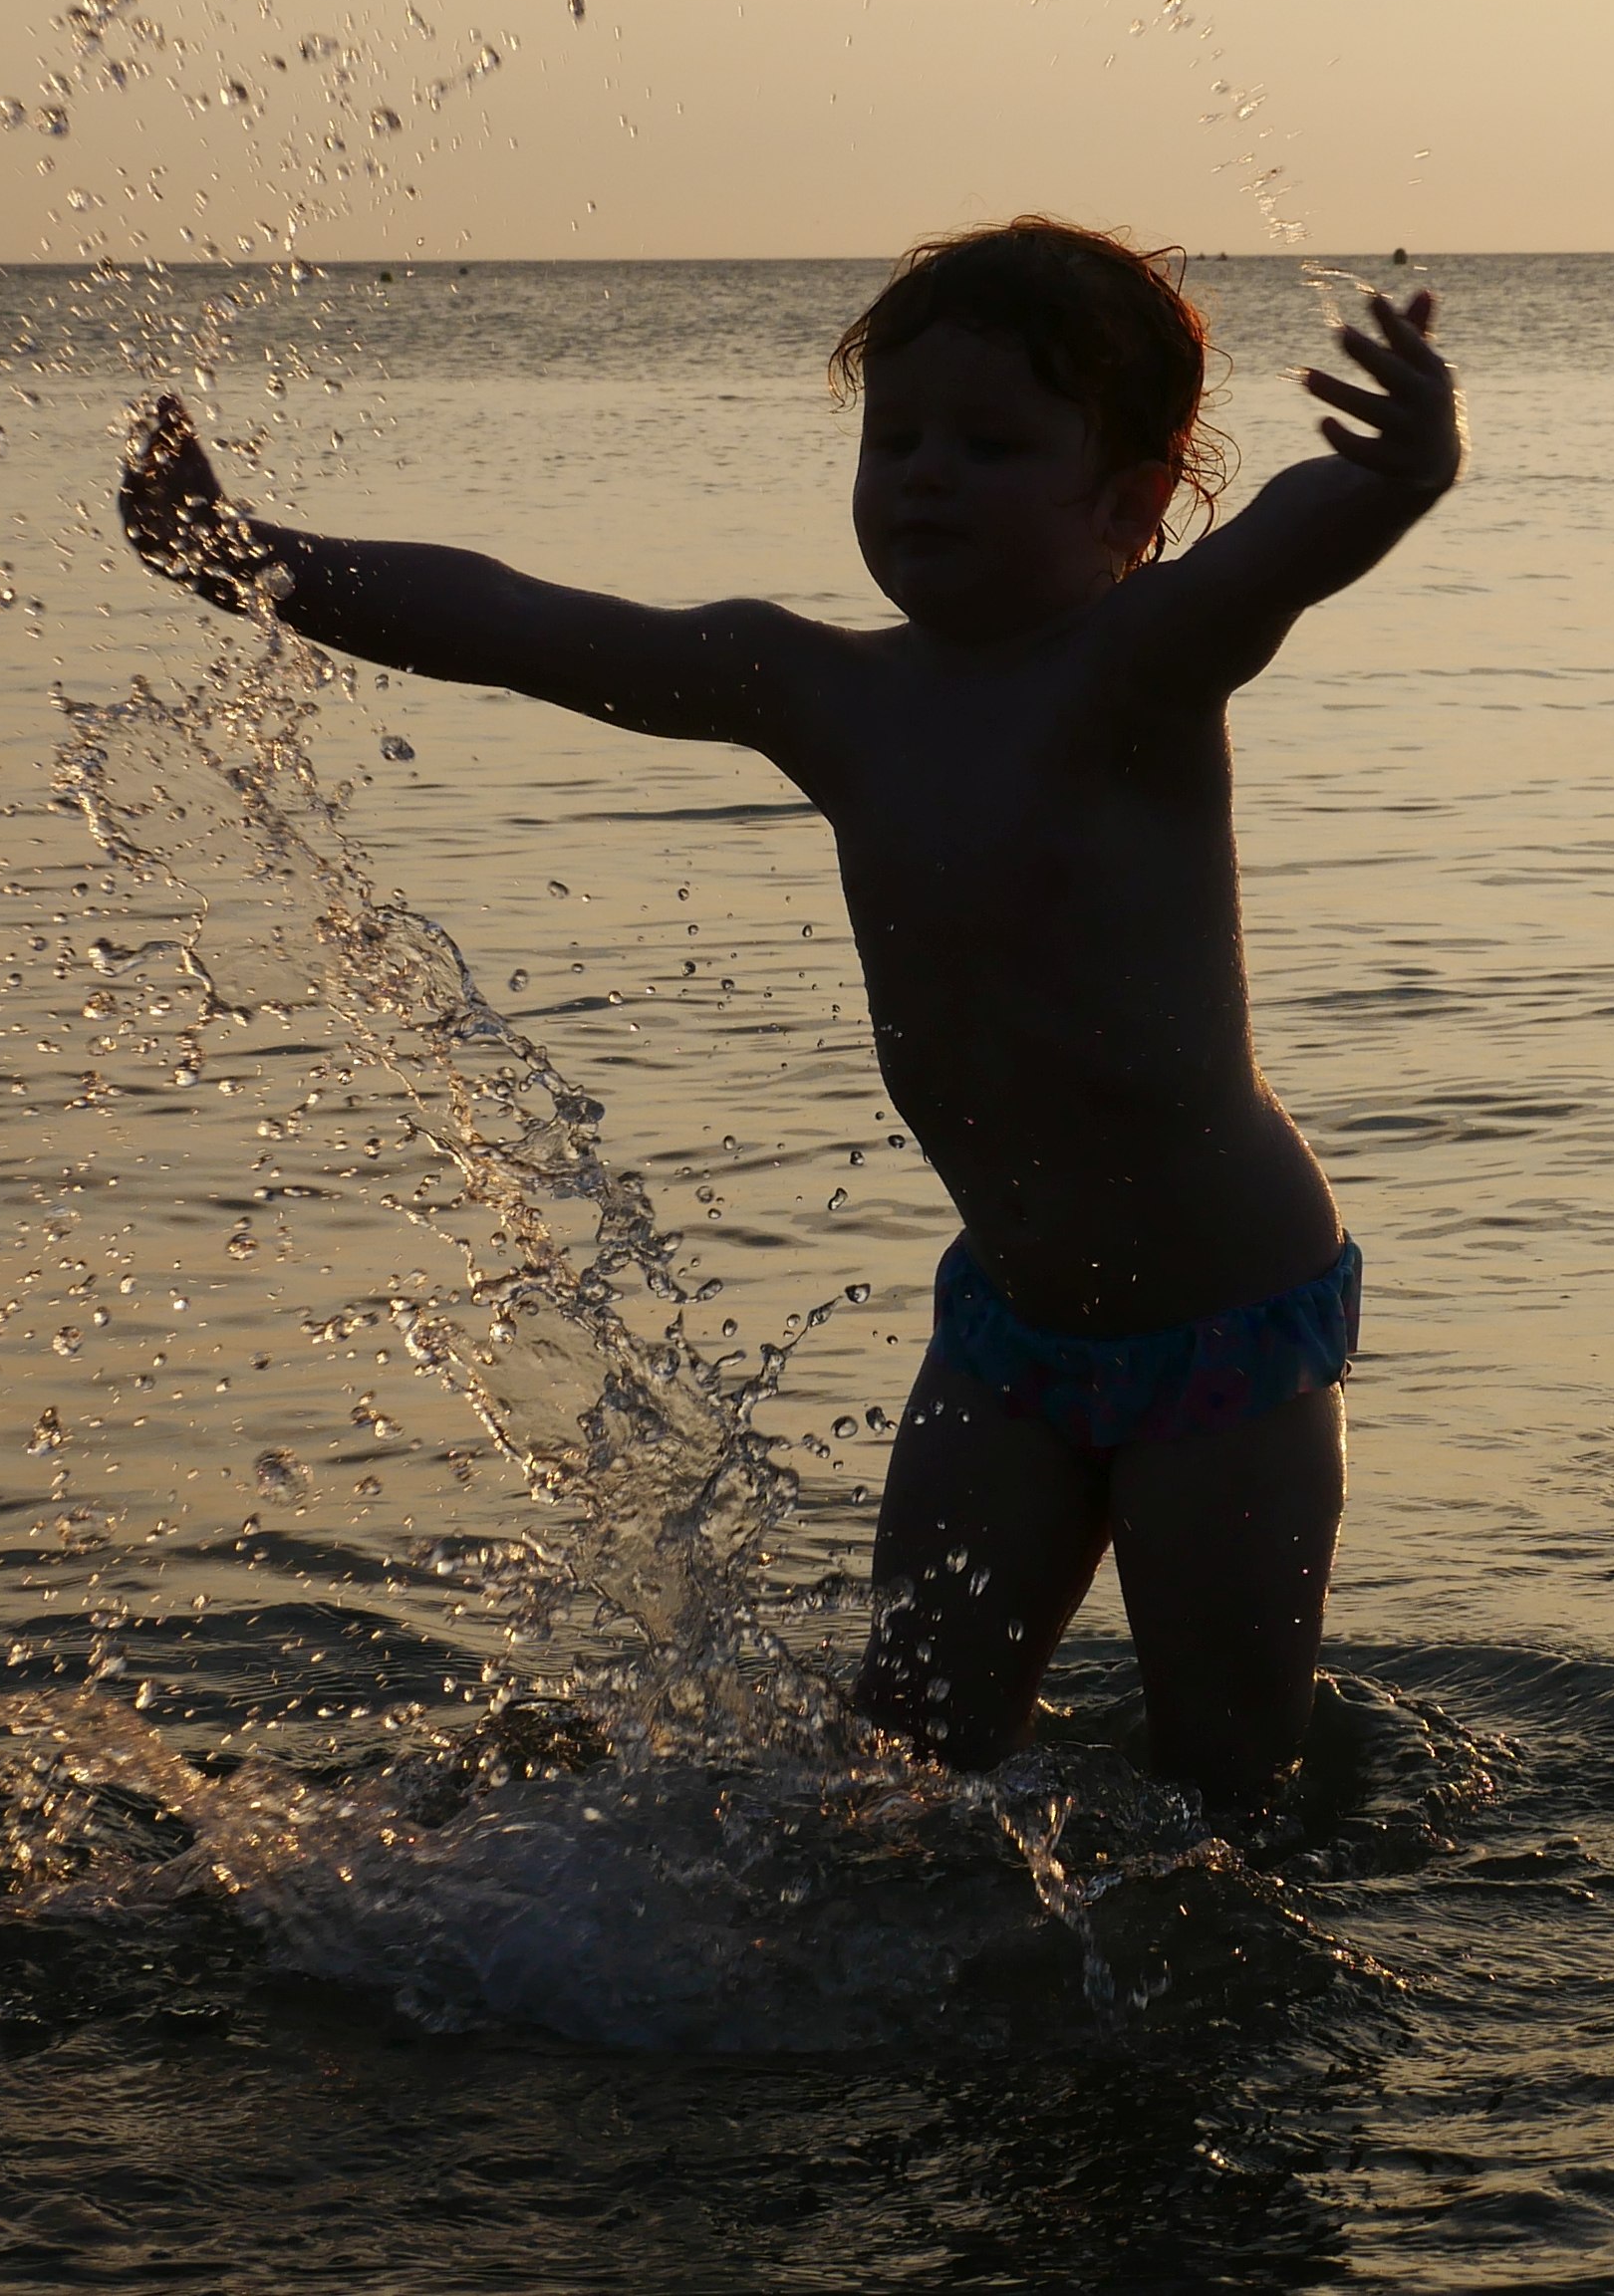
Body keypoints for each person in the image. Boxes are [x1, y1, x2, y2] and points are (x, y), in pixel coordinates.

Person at [118, 218, 1463, 1802]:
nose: (926, 477)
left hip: (1223, 1336)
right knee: (902, 1761)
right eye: (897, 440)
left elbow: (1285, 544)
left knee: (1228, 1785)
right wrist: (240, 554)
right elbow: (521, 625)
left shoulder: (1140, 664)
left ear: (1131, 500)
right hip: (1010, 1343)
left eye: (990, 446)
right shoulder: (822, 693)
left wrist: (1401, 470)